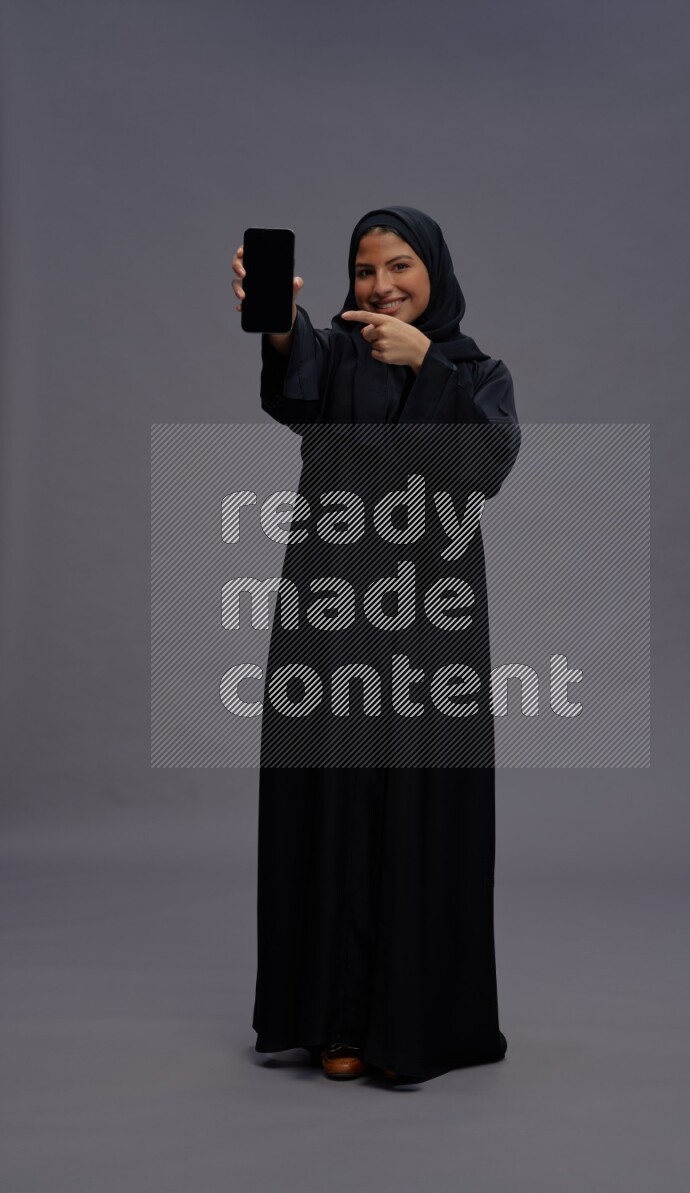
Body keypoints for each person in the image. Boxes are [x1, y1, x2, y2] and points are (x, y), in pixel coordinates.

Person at [230, 205, 521, 1083]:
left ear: (435, 271)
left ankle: (407, 1019)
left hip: (428, 622)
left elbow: (488, 465)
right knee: (332, 787)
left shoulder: (478, 372)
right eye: (364, 270)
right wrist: (281, 327)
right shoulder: (340, 358)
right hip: (331, 607)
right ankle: (331, 1017)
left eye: (400, 266)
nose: (382, 285)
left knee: (414, 793)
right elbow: (297, 373)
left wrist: (429, 365)